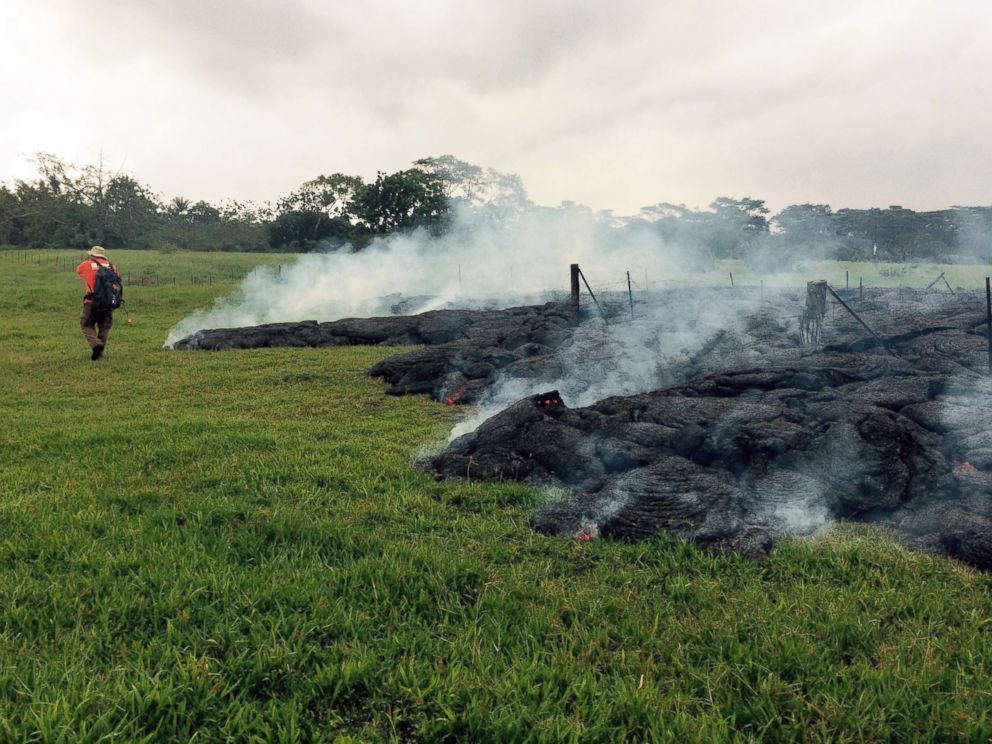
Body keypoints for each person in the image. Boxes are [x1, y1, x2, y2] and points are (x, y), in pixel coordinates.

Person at [75, 246, 118, 360]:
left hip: (92, 302)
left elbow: (78, 271)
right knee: (104, 327)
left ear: (93, 255)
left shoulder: (87, 264)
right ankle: (99, 353)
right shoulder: (112, 267)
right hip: (108, 303)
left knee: (86, 325)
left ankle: (96, 344)